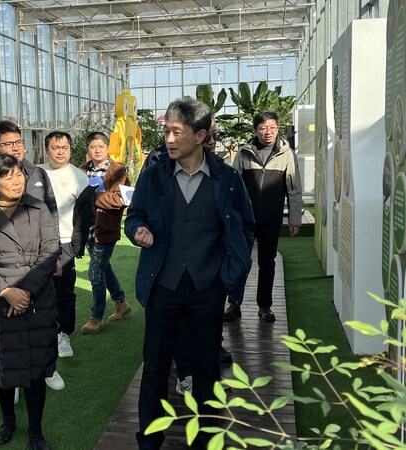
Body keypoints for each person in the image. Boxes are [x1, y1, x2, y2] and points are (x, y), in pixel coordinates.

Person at [125, 98, 254, 449]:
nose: (168, 138)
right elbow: (135, 216)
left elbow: (244, 228)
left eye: (176, 132)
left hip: (207, 289)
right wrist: (137, 231)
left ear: (200, 136)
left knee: (207, 369)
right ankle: (149, 440)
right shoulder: (154, 174)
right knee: (155, 367)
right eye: (167, 131)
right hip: (162, 286)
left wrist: (226, 276)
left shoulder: (227, 179)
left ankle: (206, 439)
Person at [0, 153, 60, 450]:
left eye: (19, 174)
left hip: (36, 296)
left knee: (35, 368)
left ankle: (36, 431)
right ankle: (8, 420)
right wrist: (6, 291)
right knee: (2, 365)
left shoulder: (38, 208)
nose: (17, 181)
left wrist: (26, 291)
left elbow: (50, 251)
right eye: (8, 177)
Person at [224, 111, 302, 323]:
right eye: (263, 128)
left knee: (267, 263)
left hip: (271, 219)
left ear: (278, 129)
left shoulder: (287, 154)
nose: (268, 132)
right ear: (255, 130)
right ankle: (234, 304)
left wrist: (294, 220)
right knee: (240, 261)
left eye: (272, 128)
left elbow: (294, 190)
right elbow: (232, 188)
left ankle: (265, 306)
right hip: (245, 221)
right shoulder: (244, 153)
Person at [38, 131, 95, 358]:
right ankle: (44, 333)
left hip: (65, 244)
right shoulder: (36, 173)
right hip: (37, 243)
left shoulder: (79, 177)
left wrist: (74, 248)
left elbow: (85, 217)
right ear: (47, 150)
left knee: (64, 291)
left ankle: (64, 334)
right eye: (55, 148)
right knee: (39, 289)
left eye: (65, 147)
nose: (60, 152)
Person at [79, 132, 132, 334]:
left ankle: (96, 317)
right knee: (103, 268)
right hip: (87, 229)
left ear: (107, 148)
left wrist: (94, 193)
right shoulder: (81, 171)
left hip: (107, 230)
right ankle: (121, 303)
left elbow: (120, 200)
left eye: (101, 146)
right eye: (93, 147)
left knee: (95, 272)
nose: (97, 150)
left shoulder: (118, 171)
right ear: (87, 150)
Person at [0, 120, 57, 220]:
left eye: (19, 142)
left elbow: (52, 212)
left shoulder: (38, 173)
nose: (16, 148)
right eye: (9, 144)